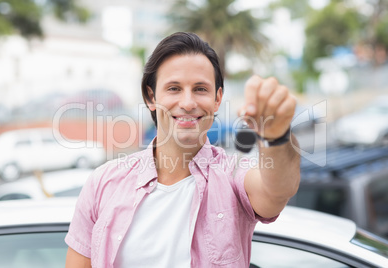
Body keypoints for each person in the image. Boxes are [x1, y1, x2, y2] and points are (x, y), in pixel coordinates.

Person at [65, 32, 300, 267]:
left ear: (217, 99)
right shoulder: (103, 183)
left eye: (200, 89)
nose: (188, 103)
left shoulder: (234, 176)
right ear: (151, 96)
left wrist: (277, 136)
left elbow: (277, 190)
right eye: (174, 88)